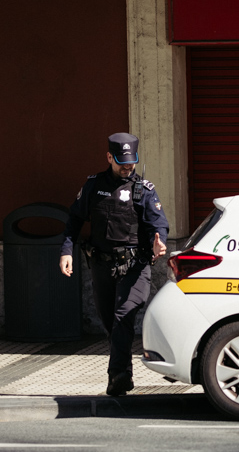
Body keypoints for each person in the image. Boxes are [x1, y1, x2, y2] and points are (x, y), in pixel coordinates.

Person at [59, 133, 168, 396]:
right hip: (102, 266)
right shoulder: (94, 186)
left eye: (132, 160)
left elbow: (158, 225)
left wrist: (159, 243)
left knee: (123, 317)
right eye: (122, 161)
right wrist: (66, 251)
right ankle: (123, 373)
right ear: (109, 157)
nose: (128, 166)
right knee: (110, 322)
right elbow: (74, 219)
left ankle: (118, 375)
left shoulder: (144, 190)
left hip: (135, 266)